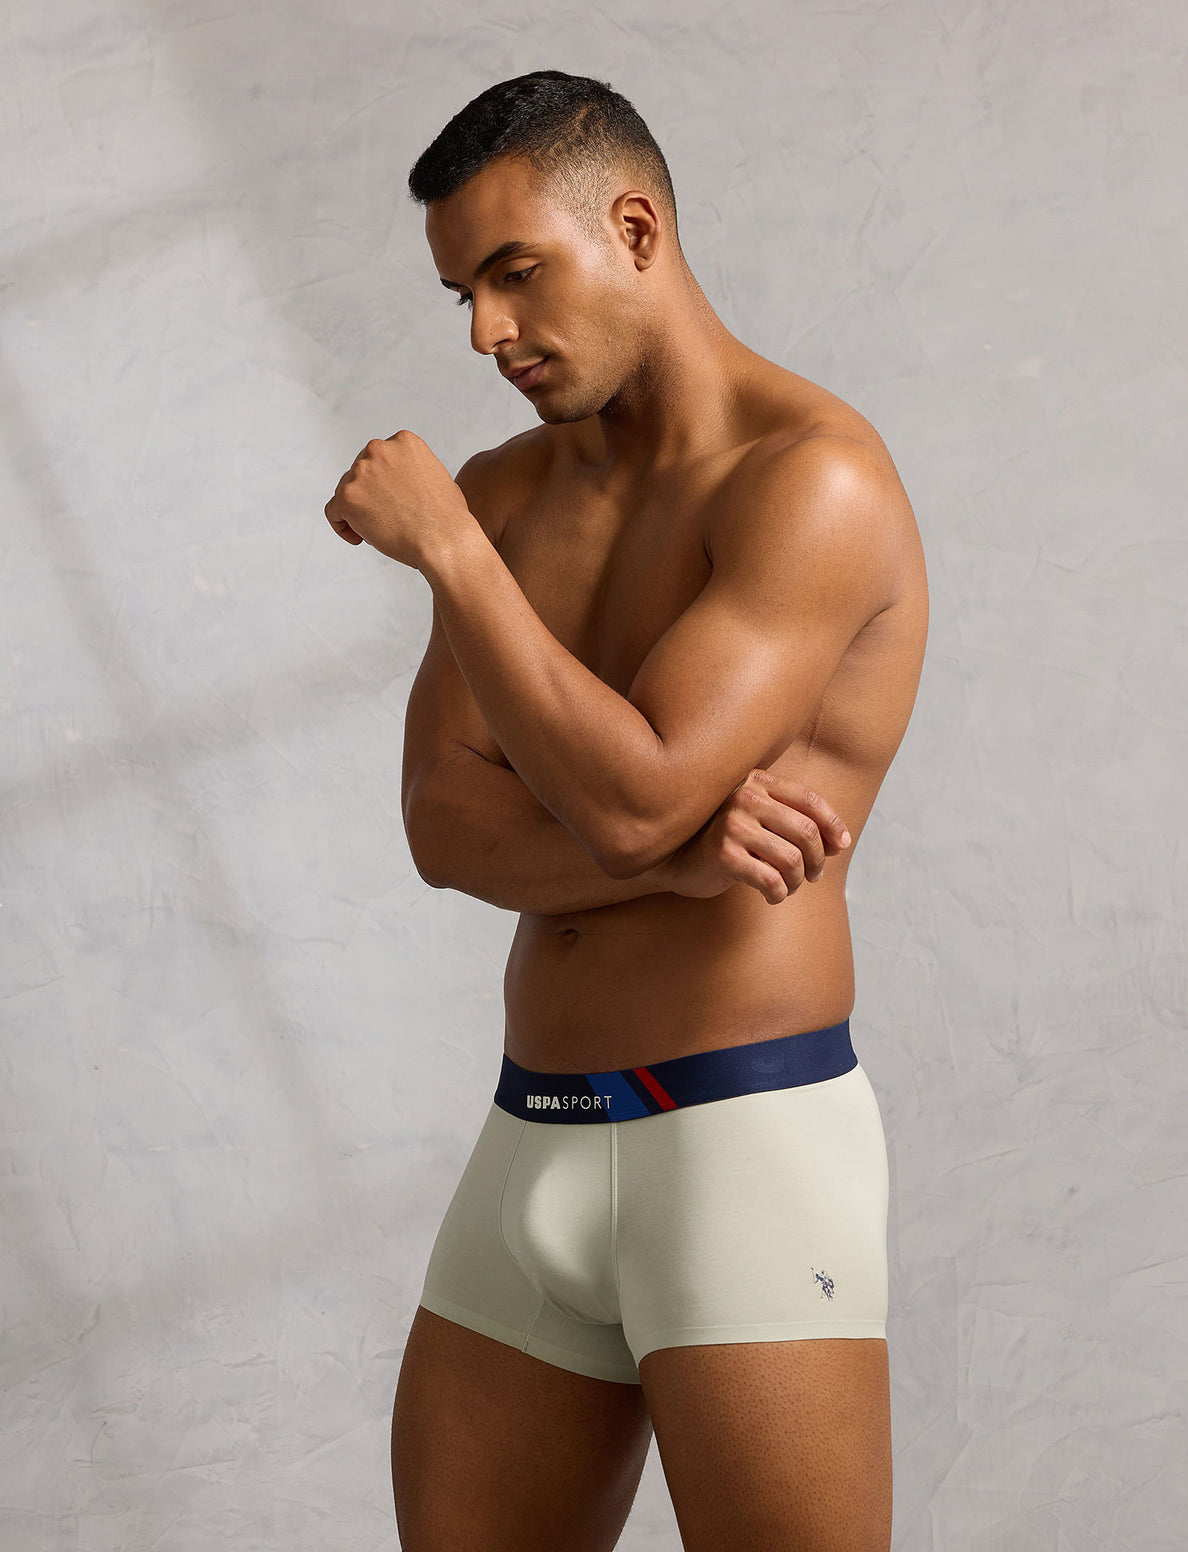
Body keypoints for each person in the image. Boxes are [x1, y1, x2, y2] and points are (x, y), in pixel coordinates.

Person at [325, 68, 928, 1552]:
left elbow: (640, 792)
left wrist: (451, 554)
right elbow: (442, 827)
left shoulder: (813, 483)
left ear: (636, 231)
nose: (486, 332)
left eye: (515, 273)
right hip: (531, 1134)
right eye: (463, 293)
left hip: (740, 1147)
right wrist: (674, 860)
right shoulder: (515, 491)